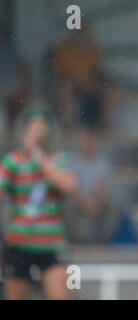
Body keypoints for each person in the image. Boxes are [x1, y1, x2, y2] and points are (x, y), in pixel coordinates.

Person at [0, 107, 78, 299]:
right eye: (33, 126)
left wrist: (38, 155)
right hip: (19, 243)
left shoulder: (58, 158)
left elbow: (69, 185)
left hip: (51, 244)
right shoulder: (13, 161)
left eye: (42, 126)